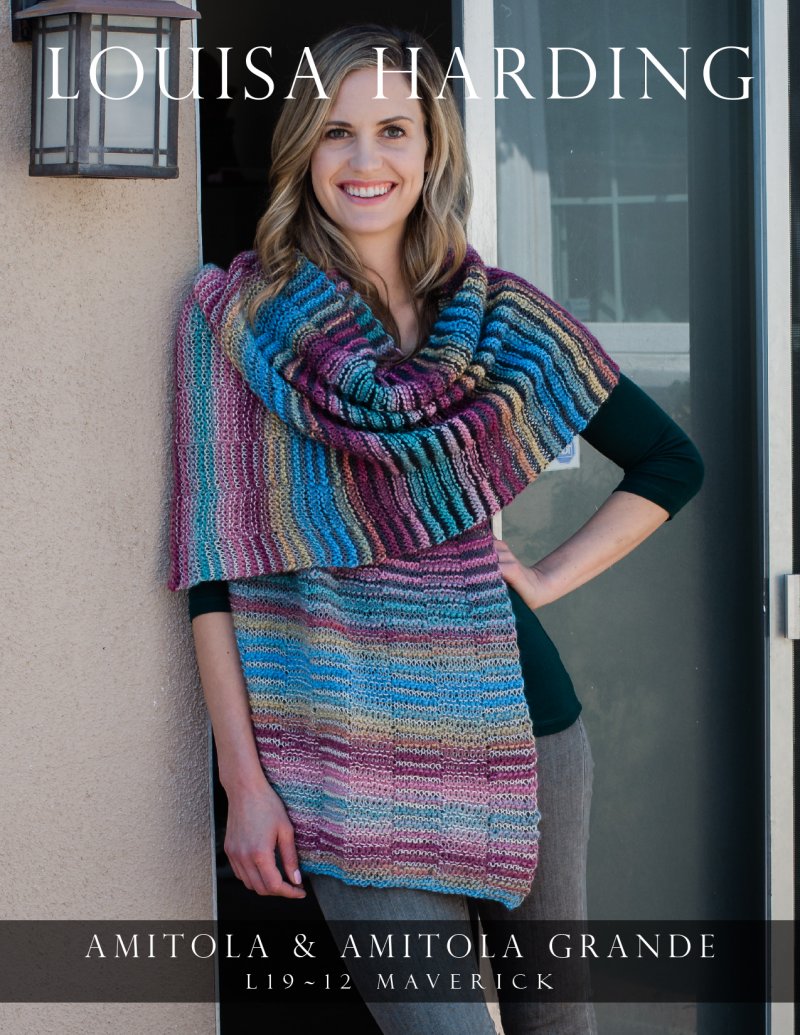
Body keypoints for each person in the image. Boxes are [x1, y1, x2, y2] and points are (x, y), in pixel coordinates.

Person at [168, 23, 704, 1035]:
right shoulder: (237, 323)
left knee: (559, 1026)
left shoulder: (500, 321)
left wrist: (542, 578)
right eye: (336, 132)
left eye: (393, 130)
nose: (364, 160)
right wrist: (244, 781)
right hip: (340, 746)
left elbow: (670, 462)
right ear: (303, 150)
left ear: (430, 149)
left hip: (522, 729)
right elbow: (213, 567)